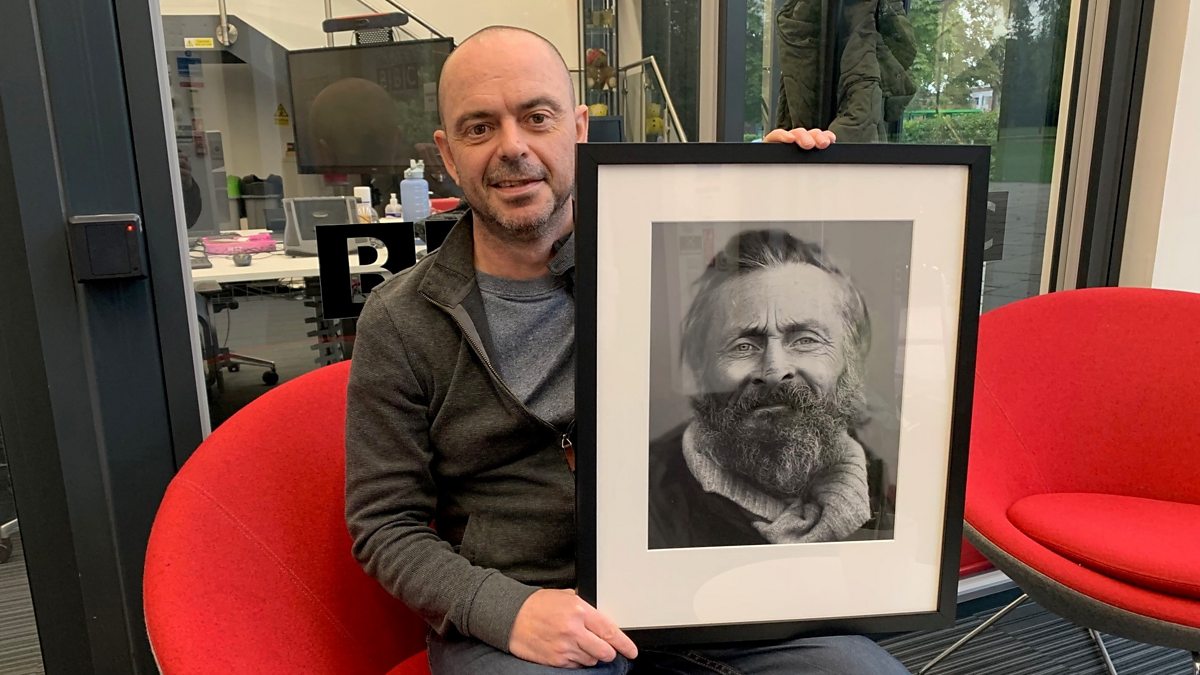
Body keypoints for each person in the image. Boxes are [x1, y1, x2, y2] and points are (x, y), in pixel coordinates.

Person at [345, 25, 908, 674]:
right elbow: (385, 523)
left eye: (537, 117)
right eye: (479, 128)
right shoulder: (401, 319)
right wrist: (503, 608)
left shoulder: (656, 257)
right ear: (447, 153)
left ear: (579, 127)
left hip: (696, 588)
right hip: (523, 616)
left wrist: (777, 187)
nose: (513, 146)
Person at [648, 230, 895, 550]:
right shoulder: (644, 501)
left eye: (805, 340)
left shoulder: (887, 485)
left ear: (849, 361)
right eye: (744, 345)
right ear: (701, 369)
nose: (775, 371)